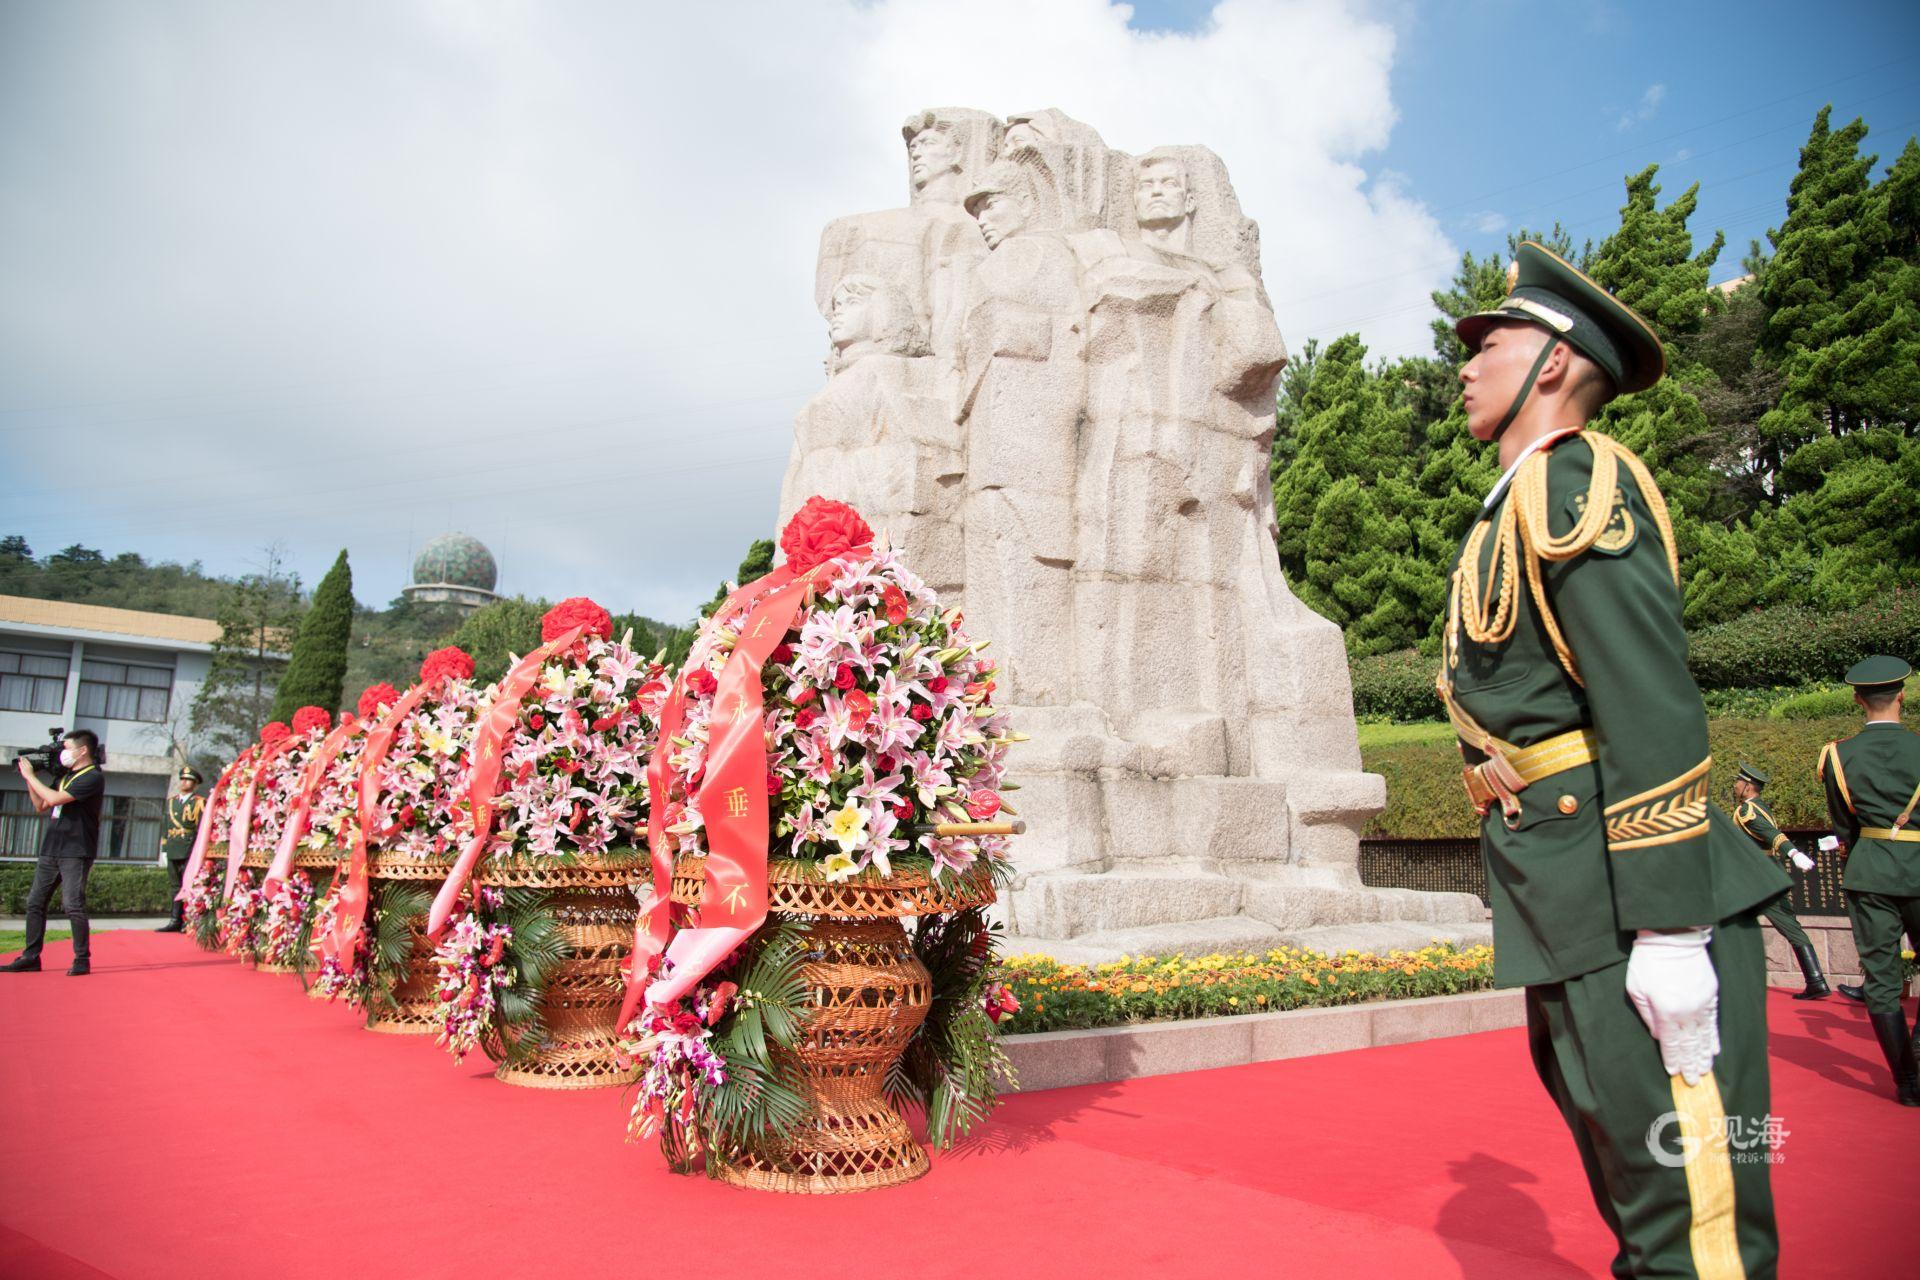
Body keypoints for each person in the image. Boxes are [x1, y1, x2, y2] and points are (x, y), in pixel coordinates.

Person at [1442, 242, 1788, 1276]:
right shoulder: (1517, 500)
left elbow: (1648, 698)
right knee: (1641, 1190)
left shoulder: (1572, 481)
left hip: (1620, 887)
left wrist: (1673, 923)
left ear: (1550, 362)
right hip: (1568, 894)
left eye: (1487, 343)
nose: (1464, 364)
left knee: (1692, 1210)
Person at [1818, 655, 1920, 1106]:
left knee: (1881, 982)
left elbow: (1844, 828)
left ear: (1858, 699)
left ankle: (1907, 1082)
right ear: (1903, 696)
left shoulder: (1837, 755)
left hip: (1869, 871)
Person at [4, 729, 108, 976]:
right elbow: (41, 804)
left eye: (67, 748)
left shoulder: (92, 776)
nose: (63, 754)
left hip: (76, 849)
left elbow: (56, 798)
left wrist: (32, 777)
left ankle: (81, 959)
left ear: (82, 750)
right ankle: (31, 957)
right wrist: (30, 778)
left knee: (73, 904)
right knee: (35, 902)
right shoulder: (65, 776)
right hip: (52, 847)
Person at [1730, 763, 1829, 999]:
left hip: (1754, 879)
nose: (1735, 785)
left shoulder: (1748, 811)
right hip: (1767, 875)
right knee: (1787, 925)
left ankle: (1815, 981)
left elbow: (1772, 835)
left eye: (1738, 782)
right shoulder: (1760, 806)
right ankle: (1816, 980)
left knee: (1720, 920)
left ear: (1748, 787)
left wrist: (1794, 853)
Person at [156, 764, 204, 933]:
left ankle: (187, 920)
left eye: (188, 780)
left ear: (195, 784)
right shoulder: (171, 802)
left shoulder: (198, 802)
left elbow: (201, 828)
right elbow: (166, 826)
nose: (184, 783)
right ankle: (174, 919)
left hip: (188, 848)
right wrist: (163, 848)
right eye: (182, 779)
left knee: (188, 886)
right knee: (175, 886)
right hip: (173, 847)